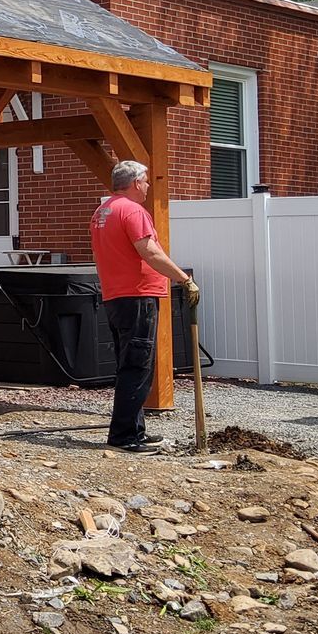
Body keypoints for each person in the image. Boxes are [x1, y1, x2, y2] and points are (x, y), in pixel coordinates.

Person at [89, 159, 198, 453]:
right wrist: (184, 279)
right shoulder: (133, 210)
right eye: (147, 181)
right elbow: (149, 251)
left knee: (130, 364)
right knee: (137, 366)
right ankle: (124, 436)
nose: (149, 187)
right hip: (137, 296)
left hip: (116, 296)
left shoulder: (103, 211)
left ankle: (135, 429)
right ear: (136, 183)